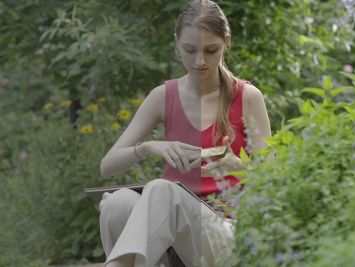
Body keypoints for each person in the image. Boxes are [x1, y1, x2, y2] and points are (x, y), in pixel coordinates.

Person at [98, 0, 272, 266]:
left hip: (225, 232)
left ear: (227, 42)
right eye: (190, 50)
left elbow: (276, 181)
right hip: (171, 236)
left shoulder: (247, 97)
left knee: (161, 189)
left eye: (211, 50)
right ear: (177, 43)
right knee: (116, 204)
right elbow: (107, 166)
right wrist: (148, 147)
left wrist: (237, 167)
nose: (200, 61)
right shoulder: (162, 96)